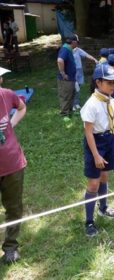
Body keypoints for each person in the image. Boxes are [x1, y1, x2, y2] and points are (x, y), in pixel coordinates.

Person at [80, 63, 114, 237]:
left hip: (109, 140)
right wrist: (96, 155)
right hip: (95, 142)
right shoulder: (91, 104)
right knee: (93, 182)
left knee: (104, 176)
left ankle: (103, 208)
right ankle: (89, 221)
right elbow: (88, 132)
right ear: (98, 82)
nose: (113, 85)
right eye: (109, 82)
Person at [0, 66, 27, 263]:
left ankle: (10, 246)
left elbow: (22, 106)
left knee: (14, 207)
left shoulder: (7, 95)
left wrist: (11, 123)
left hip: (12, 163)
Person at [72, 35, 98, 111]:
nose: (77, 43)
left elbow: (86, 55)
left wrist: (94, 59)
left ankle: (76, 103)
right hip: (72, 72)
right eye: (77, 42)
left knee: (78, 88)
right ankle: (72, 104)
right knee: (73, 88)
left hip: (79, 72)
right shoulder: (68, 50)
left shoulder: (78, 50)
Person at [57, 35, 78, 121]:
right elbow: (60, 60)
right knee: (65, 96)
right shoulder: (65, 49)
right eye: (77, 42)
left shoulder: (68, 49)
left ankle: (69, 112)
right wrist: (63, 73)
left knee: (71, 95)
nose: (77, 44)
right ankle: (64, 114)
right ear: (73, 42)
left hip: (71, 78)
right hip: (65, 79)